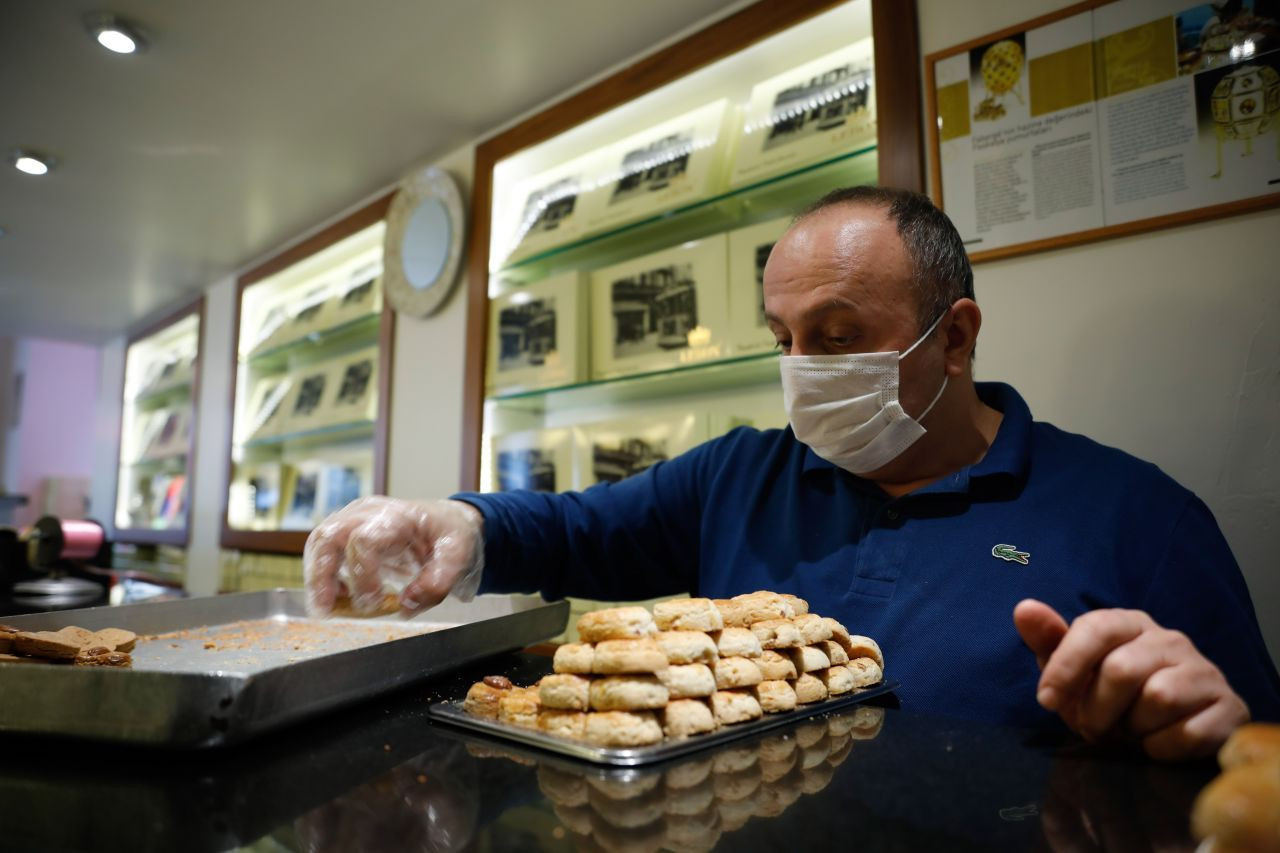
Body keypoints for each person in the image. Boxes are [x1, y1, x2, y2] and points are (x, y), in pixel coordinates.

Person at [304, 186, 1280, 760]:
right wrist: (460, 521)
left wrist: (1207, 735)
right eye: (783, 338)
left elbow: (1251, 771)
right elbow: (570, 526)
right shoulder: (739, 471)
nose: (803, 370)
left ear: (955, 338)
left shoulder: (1137, 519)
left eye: (839, 336)